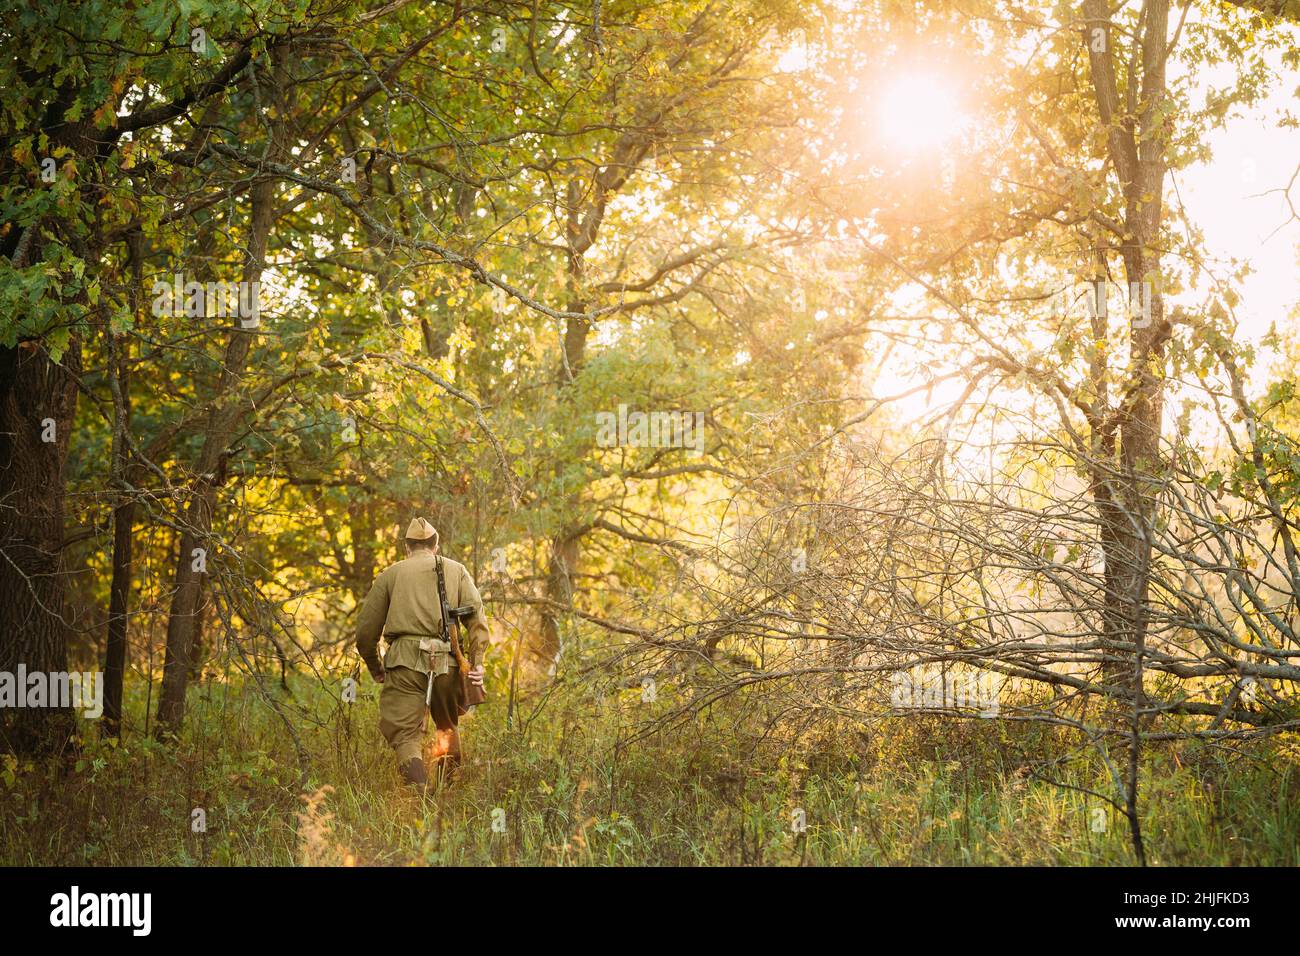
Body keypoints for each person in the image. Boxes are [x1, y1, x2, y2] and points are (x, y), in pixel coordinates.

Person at [355, 517, 488, 788]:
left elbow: (365, 632)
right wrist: (477, 664)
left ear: (407, 547)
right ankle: (443, 797)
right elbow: (477, 620)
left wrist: (375, 666)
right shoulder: (456, 570)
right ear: (435, 546)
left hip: (404, 662)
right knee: (447, 726)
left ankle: (420, 794)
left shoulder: (391, 574)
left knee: (405, 735)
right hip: (448, 661)